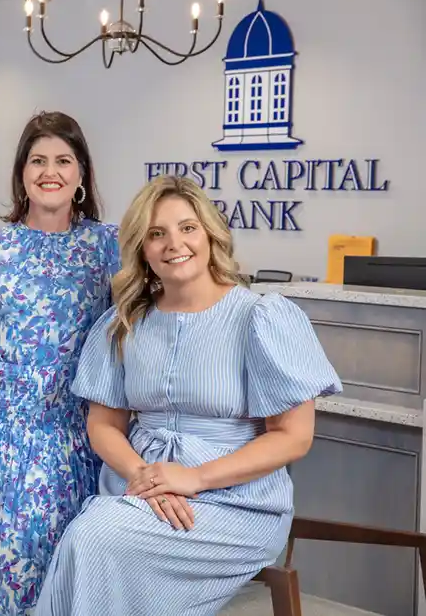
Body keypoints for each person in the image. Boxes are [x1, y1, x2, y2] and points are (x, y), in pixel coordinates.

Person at [35, 175, 343, 616]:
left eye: (187, 228)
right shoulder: (123, 324)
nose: (173, 243)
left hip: (236, 502)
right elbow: (103, 424)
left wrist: (193, 479)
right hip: (139, 489)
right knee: (94, 535)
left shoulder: (261, 316)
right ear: (142, 248)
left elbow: (294, 437)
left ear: (211, 234)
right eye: (156, 234)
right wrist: (148, 478)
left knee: (94, 535)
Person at [0, 111, 121, 616]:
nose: (49, 171)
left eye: (62, 160)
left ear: (81, 174)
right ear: (21, 173)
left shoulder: (109, 248)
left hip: (67, 446)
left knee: (50, 590)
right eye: (37, 160)